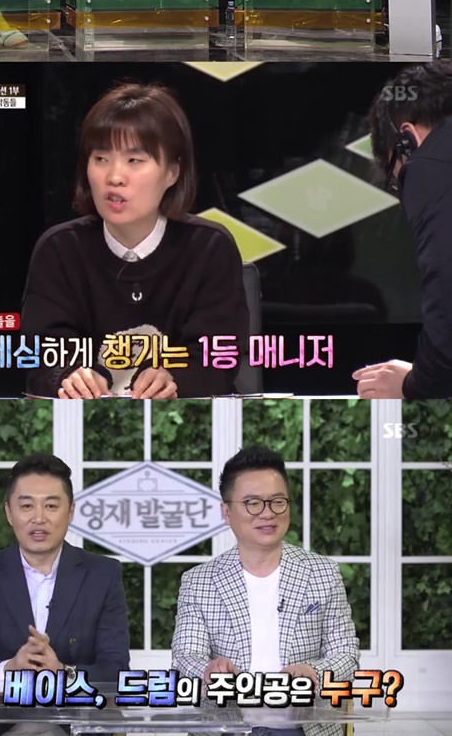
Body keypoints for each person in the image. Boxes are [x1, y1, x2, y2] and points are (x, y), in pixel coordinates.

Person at [21, 81, 248, 399]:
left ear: (172, 172)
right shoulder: (59, 250)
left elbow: (217, 360)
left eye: (134, 160)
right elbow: (42, 358)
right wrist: (68, 378)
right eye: (101, 158)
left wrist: (175, 380)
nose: (114, 177)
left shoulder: (209, 248)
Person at [172, 444, 359, 736]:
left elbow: (346, 653)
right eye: (252, 503)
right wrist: (209, 671)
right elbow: (186, 655)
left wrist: (314, 673)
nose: (267, 513)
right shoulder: (199, 581)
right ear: (227, 512)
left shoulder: (323, 573)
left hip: (303, 728)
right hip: (227, 727)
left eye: (277, 501)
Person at [0, 452, 130, 689]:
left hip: (76, 713)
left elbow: (116, 672)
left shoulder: (103, 575)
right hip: (3, 712)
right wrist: (8, 670)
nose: (39, 518)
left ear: (70, 511)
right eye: (26, 506)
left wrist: (64, 674)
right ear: (9, 513)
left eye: (51, 506)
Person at [353, 63, 452, 399]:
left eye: (398, 181)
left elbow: (447, 291)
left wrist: (414, 382)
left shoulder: (428, 167)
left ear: (407, 139)